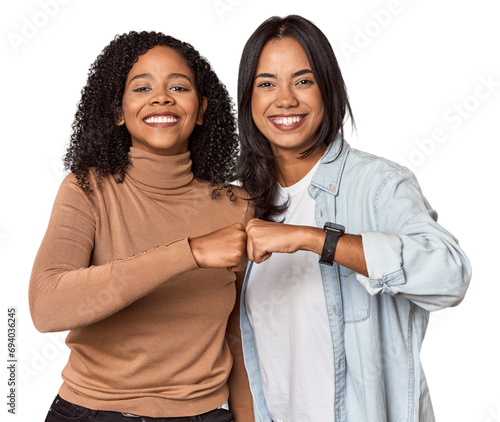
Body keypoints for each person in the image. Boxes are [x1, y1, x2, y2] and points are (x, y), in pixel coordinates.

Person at [235, 15, 471, 421]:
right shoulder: (240, 201)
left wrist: (313, 239)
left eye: (303, 80)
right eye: (267, 83)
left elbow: (450, 276)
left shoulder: (379, 184)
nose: (285, 99)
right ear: (249, 98)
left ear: (329, 89)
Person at [29, 31, 254, 422]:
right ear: (119, 110)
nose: (161, 97)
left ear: (201, 110)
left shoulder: (237, 207)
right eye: (142, 87)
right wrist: (190, 252)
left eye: (178, 87)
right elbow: (46, 307)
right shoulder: (87, 189)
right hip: (93, 411)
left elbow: (238, 336)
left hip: (205, 414)